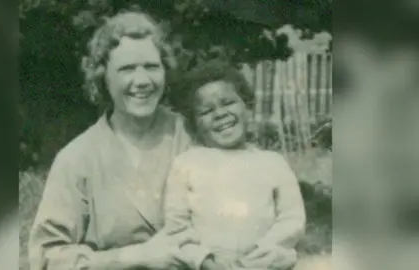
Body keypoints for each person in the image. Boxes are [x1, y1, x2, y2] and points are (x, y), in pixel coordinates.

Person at [28, 10, 200, 270]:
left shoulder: (193, 135)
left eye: (152, 67)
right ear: (103, 77)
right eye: (127, 69)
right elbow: (46, 257)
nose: (141, 81)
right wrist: (135, 257)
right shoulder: (77, 159)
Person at [164, 61, 306, 270]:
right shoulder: (186, 165)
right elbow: (177, 228)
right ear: (193, 123)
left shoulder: (272, 163)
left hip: (263, 263)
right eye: (206, 111)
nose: (220, 114)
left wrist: (266, 249)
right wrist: (204, 260)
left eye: (228, 102)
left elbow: (292, 218)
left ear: (247, 106)